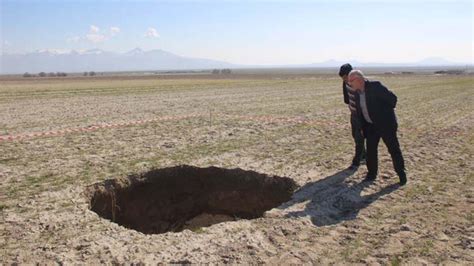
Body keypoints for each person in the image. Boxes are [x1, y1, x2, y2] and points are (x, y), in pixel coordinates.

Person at [347, 70, 407, 186]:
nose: (349, 84)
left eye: (351, 81)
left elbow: (393, 100)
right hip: (370, 127)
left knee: (393, 149)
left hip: (386, 125)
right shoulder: (357, 93)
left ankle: (401, 174)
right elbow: (360, 112)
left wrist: (383, 114)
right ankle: (371, 174)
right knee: (370, 151)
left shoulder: (376, 87)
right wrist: (362, 126)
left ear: (359, 80)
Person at [339, 63, 366, 169]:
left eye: (346, 77)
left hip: (361, 114)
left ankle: (357, 161)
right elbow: (346, 99)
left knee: (359, 137)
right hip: (353, 113)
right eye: (343, 78)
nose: (345, 80)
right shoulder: (345, 83)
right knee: (355, 135)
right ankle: (364, 155)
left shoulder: (359, 83)